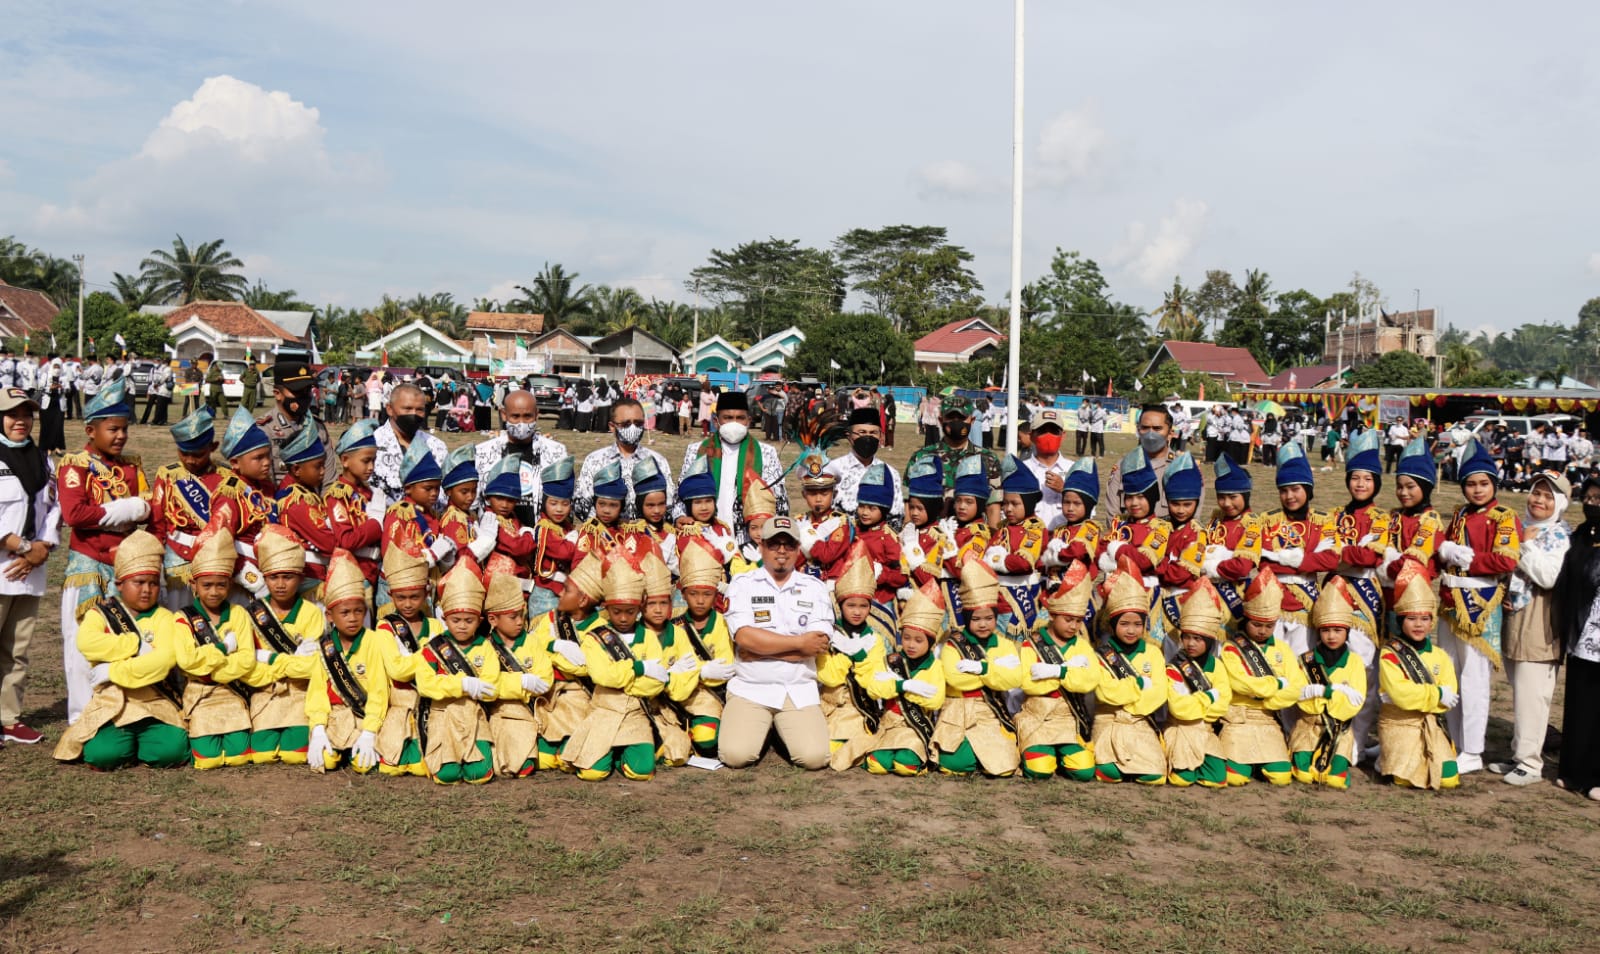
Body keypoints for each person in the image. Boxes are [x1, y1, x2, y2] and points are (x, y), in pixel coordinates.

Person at [52, 530, 189, 770]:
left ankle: (140, 743)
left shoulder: (165, 618)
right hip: (112, 703)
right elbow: (88, 644)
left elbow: (164, 660)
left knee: (171, 752)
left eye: (153, 583)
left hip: (155, 701)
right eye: (139, 583)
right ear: (120, 584)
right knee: (103, 756)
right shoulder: (100, 614)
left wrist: (113, 670)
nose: (146, 590)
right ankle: (128, 744)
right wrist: (135, 645)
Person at [57, 378, 150, 726]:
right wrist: (129, 509)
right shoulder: (75, 465)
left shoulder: (131, 465)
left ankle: (119, 713)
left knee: (123, 640)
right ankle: (82, 718)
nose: (121, 436)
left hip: (124, 567)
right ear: (90, 430)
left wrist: (137, 508)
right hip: (89, 566)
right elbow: (74, 515)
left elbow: (152, 508)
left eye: (124, 429)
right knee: (82, 643)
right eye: (113, 429)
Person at [718, 516, 834, 771]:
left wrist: (760, 651)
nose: (782, 551)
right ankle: (763, 728)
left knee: (815, 758)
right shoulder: (742, 584)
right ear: (762, 547)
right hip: (751, 687)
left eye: (789, 544)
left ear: (797, 548)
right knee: (735, 756)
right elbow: (744, 638)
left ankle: (776, 728)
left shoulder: (814, 587)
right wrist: (798, 645)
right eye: (774, 544)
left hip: (796, 688)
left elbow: (816, 645)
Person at [1435, 439, 1522, 775]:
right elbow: (1442, 544)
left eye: (1483, 483)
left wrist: (1468, 559)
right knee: (1451, 675)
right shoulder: (1458, 514)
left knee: (1473, 678)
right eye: (1471, 484)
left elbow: (1505, 559)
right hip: (1449, 601)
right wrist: (1445, 550)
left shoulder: (1504, 516)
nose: (1477, 490)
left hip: (1479, 604)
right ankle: (1454, 740)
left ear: (1493, 485)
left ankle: (1473, 749)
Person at [1492, 472, 1569, 786]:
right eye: (1536, 493)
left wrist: (1524, 546)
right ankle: (1518, 753)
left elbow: (1548, 576)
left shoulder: (1560, 536)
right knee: (1520, 690)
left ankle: (1530, 763)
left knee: (1533, 694)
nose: (1539, 500)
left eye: (1548, 496)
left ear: (1560, 503)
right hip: (1516, 616)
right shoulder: (1522, 528)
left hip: (1540, 620)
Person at [0, 388, 59, 746]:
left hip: (31, 570)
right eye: (12, 414)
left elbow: (53, 508)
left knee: (17, 649)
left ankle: (9, 718)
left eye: (27, 414)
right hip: (3, 566)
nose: (20, 420)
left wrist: (43, 547)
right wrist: (22, 547)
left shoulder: (43, 460)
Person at [932, 556, 1022, 777]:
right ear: (967, 618)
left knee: (1005, 767)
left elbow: (1014, 678)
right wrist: (995, 669)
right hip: (956, 708)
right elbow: (955, 678)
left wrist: (981, 668)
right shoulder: (952, 644)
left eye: (989, 618)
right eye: (977, 619)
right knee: (955, 764)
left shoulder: (1005, 644)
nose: (983, 624)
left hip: (988, 709)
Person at [1378, 566, 1461, 790]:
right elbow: (1400, 694)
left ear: (1432, 622)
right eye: (1411, 619)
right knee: (1407, 780)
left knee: (1449, 779)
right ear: (1401, 621)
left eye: (1424, 619)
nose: (1418, 625)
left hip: (1428, 723)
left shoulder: (1440, 656)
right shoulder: (1389, 654)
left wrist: (1434, 696)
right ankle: (1384, 758)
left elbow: (1450, 695)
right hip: (1399, 723)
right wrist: (1436, 694)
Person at [1221, 572, 1307, 785]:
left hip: (1268, 719)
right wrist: (1276, 684)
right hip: (1238, 720)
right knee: (1235, 777)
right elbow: (1239, 683)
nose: (1262, 631)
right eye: (1257, 625)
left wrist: (1266, 700)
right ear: (1246, 621)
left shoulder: (1283, 649)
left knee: (1281, 777)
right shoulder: (1232, 648)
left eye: (1269, 626)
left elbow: (1296, 687)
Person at [1017, 563, 1100, 781]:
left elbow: (1089, 681)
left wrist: (1056, 672)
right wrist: (1070, 671)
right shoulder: (1031, 644)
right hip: (1037, 716)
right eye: (1068, 619)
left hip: (1068, 719)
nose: (1074, 626)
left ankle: (1060, 752)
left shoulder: (1082, 645)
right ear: (1052, 615)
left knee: (1084, 771)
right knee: (1039, 770)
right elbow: (1028, 683)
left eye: (1078, 621)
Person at [678, 390, 788, 547]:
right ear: (716, 421)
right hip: (707, 538)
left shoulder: (766, 453)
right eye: (728, 418)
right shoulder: (697, 451)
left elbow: (779, 500)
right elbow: (682, 493)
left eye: (740, 418)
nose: (734, 423)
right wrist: (680, 517)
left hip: (750, 541)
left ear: (748, 420)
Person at [1289, 577, 1367, 789]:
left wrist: (1321, 694)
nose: (1331, 636)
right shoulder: (1306, 660)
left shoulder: (1354, 662)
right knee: (1303, 775)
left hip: (1339, 731)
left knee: (1336, 779)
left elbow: (1356, 701)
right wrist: (1333, 691)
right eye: (1325, 630)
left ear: (1347, 632)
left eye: (1337, 630)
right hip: (1308, 727)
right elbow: (1299, 696)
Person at [1555, 476, 1600, 801]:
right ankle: (1571, 771)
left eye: (1599, 500)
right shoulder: (1581, 535)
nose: (1593, 505)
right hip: (1582, 634)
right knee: (1578, 705)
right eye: (1590, 498)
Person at [1163, 579, 1232, 788]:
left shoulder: (1217, 666)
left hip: (1206, 731)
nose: (1191, 644)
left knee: (1217, 779)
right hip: (1181, 730)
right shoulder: (1174, 667)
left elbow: (1223, 705)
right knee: (1182, 780)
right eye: (1187, 637)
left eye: (1198, 639)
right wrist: (1210, 696)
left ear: (1209, 641)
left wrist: (1195, 701)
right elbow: (1179, 708)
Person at [472, 388, 569, 528]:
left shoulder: (556, 452)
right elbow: (475, 500)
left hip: (542, 538)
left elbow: (563, 499)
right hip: (497, 538)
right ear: (504, 415)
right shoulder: (483, 452)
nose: (521, 423)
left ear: (536, 415)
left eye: (527, 416)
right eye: (515, 416)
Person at [904, 395, 1001, 526]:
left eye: (962, 418)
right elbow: (908, 504)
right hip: (931, 537)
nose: (956, 422)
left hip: (973, 538)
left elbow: (993, 507)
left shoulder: (987, 459)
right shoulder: (921, 457)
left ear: (972, 421)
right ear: (940, 420)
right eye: (950, 417)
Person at [573, 398, 674, 523]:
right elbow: (582, 503)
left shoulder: (657, 461)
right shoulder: (595, 460)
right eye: (626, 424)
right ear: (612, 426)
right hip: (606, 537)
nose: (633, 428)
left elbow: (669, 504)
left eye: (638, 423)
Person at [256, 359, 335, 490]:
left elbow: (329, 481)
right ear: (277, 394)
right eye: (297, 391)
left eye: (307, 390)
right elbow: (265, 485)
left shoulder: (318, 428)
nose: (304, 396)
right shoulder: (264, 430)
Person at [1105, 405, 1189, 519]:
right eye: (1145, 428)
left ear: (1170, 433)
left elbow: (1190, 521)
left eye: (1157, 428)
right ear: (1138, 430)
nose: (1150, 434)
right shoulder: (1123, 466)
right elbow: (1113, 516)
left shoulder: (1183, 468)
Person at [824, 406, 904, 520]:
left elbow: (897, 514)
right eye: (862, 432)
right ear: (849, 436)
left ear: (880, 436)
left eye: (873, 433)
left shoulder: (891, 473)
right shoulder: (833, 469)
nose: (868, 437)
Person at [1023, 408, 1074, 531]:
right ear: (1031, 436)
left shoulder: (1074, 469)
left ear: (1063, 436)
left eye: (1054, 431)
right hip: (1029, 540)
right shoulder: (1022, 470)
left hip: (1065, 540)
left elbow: (1088, 511)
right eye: (1042, 431)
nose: (1048, 435)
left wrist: (1065, 490)